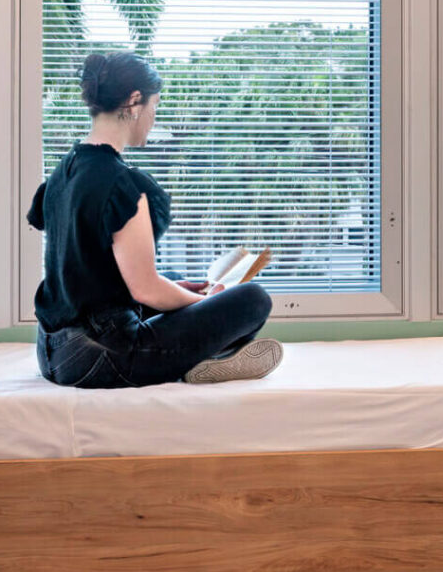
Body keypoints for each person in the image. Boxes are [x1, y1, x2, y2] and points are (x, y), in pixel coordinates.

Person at [29, 50, 281, 388]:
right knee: (253, 299)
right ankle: (209, 355)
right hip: (100, 357)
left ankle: (209, 353)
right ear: (134, 102)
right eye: (154, 105)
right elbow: (145, 289)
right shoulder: (121, 182)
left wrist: (181, 291)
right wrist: (207, 301)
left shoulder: (65, 170)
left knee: (174, 278)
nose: (154, 116)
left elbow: (91, 265)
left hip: (52, 351)